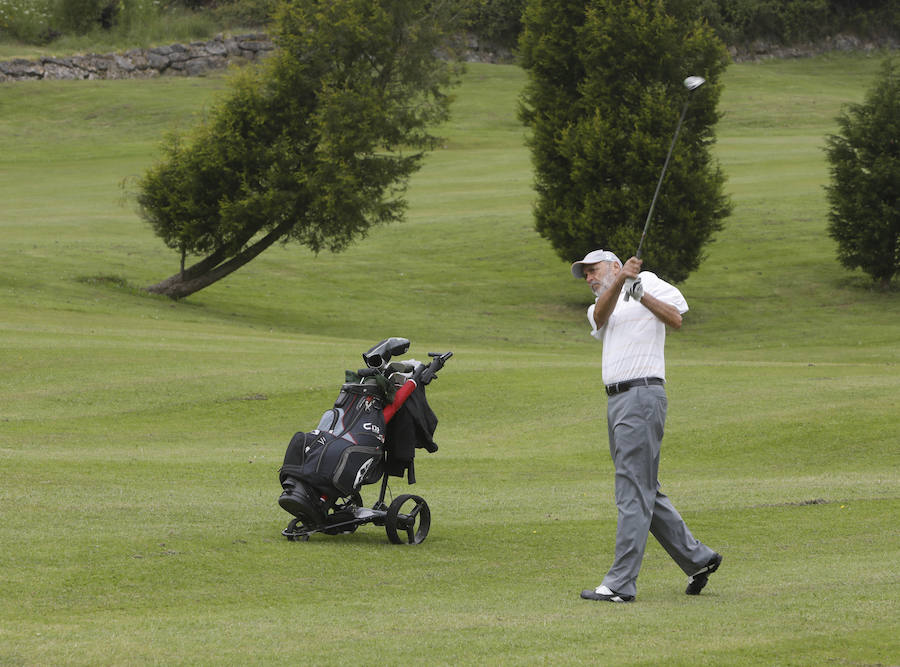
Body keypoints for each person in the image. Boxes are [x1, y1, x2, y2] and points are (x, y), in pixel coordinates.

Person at [570, 249, 722, 603]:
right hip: (617, 400)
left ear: (613, 265)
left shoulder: (649, 281)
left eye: (594, 271)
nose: (590, 278)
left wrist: (641, 292)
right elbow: (600, 315)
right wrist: (622, 282)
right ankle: (698, 559)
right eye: (586, 275)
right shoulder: (601, 306)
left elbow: (676, 319)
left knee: (632, 490)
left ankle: (621, 583)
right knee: (644, 487)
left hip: (642, 394)